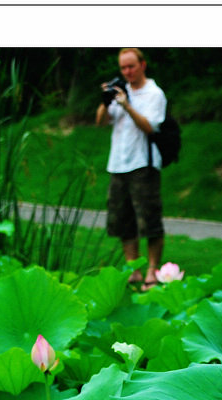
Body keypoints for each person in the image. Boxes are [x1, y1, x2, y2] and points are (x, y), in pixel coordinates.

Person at [96, 48, 168, 290]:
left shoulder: (154, 93)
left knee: (149, 219)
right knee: (123, 220)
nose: (127, 72)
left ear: (142, 65)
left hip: (143, 164)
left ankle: (152, 270)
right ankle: (133, 269)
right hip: (118, 164)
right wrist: (106, 102)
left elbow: (150, 127)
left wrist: (127, 105)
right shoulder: (118, 92)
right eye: (123, 68)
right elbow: (100, 123)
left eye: (131, 67)